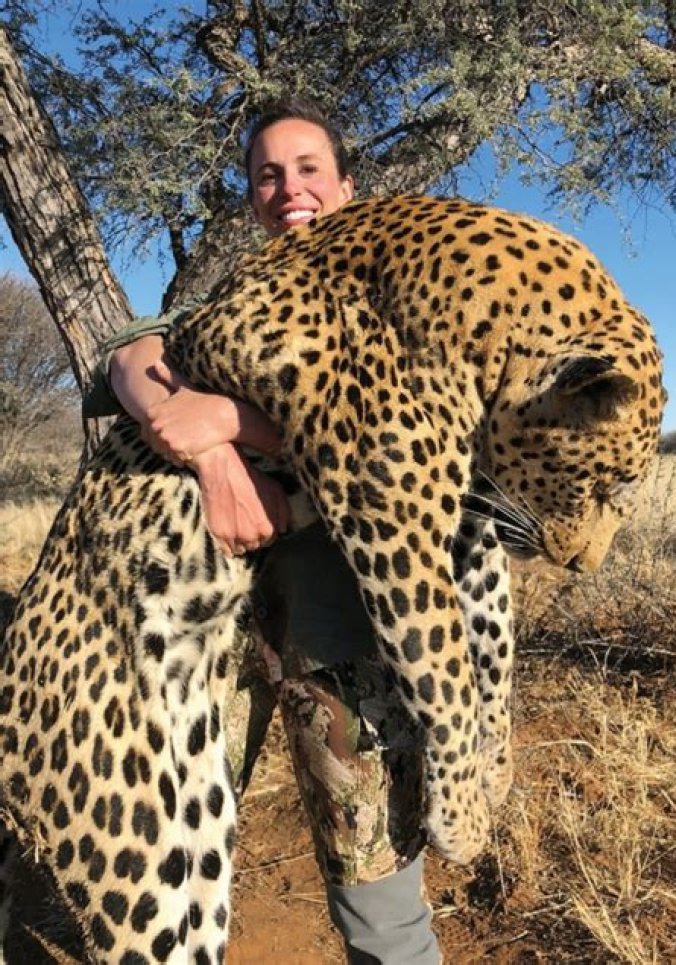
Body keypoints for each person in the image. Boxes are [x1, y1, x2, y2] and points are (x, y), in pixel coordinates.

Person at [92, 99, 441, 964]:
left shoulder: (401, 298)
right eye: (268, 175)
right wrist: (201, 438)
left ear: (348, 185)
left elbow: (401, 434)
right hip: (203, 639)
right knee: (167, 867)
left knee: (382, 904)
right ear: (251, 196)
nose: (290, 189)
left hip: (345, 641)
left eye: (309, 168)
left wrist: (230, 420)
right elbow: (131, 354)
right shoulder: (233, 296)